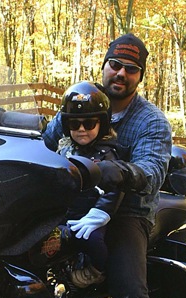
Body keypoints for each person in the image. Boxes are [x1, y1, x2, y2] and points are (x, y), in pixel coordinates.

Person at [43, 33, 173, 298]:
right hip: (71, 204)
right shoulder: (80, 102)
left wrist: (121, 172)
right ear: (104, 65)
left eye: (131, 69)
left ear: (140, 76)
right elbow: (44, 141)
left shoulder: (150, 121)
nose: (121, 73)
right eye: (115, 64)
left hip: (126, 213)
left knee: (132, 295)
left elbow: (152, 170)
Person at [56, 81, 128, 287]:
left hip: (90, 215)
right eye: (74, 124)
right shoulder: (64, 149)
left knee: (93, 240)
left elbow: (116, 187)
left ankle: (96, 271)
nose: (81, 129)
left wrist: (100, 213)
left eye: (89, 124)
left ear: (102, 124)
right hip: (65, 211)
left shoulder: (108, 154)